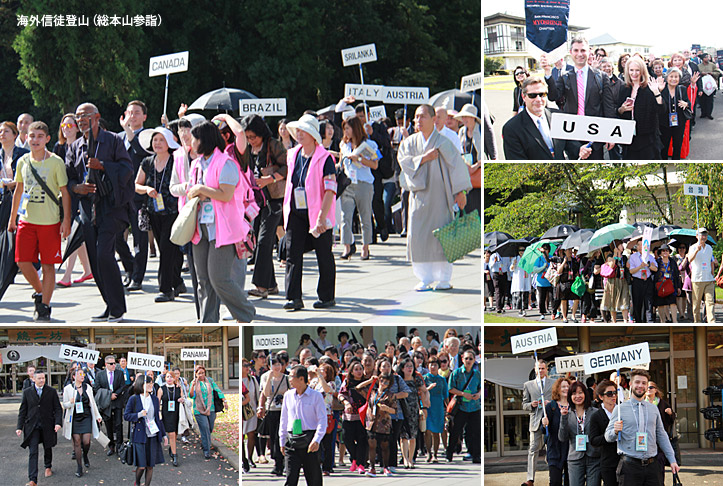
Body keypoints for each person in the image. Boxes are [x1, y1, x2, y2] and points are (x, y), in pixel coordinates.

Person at [66, 102, 135, 322]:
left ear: (97, 117)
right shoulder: (75, 146)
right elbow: (69, 178)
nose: (81, 120)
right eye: (78, 117)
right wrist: (77, 188)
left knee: (105, 255)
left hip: (110, 206)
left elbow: (127, 170)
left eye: (85, 115)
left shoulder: (113, 140)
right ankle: (110, 304)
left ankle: (118, 308)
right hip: (88, 208)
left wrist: (103, 165)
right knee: (95, 260)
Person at [397, 104, 471, 291]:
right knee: (419, 237)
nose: (418, 121)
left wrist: (460, 191)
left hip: (441, 195)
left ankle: (444, 278)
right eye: (416, 117)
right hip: (419, 197)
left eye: (422, 116)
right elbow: (403, 162)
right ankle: (425, 277)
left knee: (443, 236)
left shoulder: (442, 141)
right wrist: (424, 158)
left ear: (433, 119)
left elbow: (457, 165)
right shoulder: (410, 142)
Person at [187, 121, 256, 322]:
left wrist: (200, 190)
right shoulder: (196, 163)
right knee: (203, 280)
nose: (191, 142)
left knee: (219, 278)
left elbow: (225, 195)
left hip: (223, 229)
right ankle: (207, 321)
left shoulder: (226, 163)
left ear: (204, 140)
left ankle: (245, 312)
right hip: (200, 226)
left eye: (194, 138)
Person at [8, 121, 71, 321]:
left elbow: (64, 193)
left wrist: (66, 220)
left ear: (47, 139)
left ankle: (44, 305)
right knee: (22, 261)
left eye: (39, 136)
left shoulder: (55, 162)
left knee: (48, 264)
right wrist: (13, 218)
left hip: (50, 222)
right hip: (27, 220)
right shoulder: (23, 161)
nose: (34, 140)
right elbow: (18, 190)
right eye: (31, 136)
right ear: (26, 137)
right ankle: (40, 291)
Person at [282, 114, 338, 310]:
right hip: (296, 210)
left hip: (318, 213)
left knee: (324, 254)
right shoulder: (293, 155)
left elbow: (330, 189)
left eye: (302, 131)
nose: (298, 134)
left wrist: (322, 217)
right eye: (297, 130)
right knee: (292, 253)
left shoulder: (325, 158)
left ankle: (326, 296)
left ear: (313, 135)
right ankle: (293, 297)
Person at [541, 35, 616, 160]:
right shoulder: (565, 77)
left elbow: (608, 107)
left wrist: (611, 135)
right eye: (576, 50)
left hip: (594, 137)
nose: (579, 54)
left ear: (589, 52)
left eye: (583, 50)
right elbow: (553, 96)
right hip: (573, 136)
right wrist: (548, 73)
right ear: (570, 53)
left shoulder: (601, 77)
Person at [238, 115, 287, 299]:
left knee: (264, 241)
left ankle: (260, 286)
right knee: (260, 241)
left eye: (253, 137)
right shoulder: (246, 148)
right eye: (248, 137)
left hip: (273, 199)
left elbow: (287, 166)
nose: (251, 140)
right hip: (255, 201)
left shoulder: (273, 144)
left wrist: (270, 178)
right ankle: (272, 284)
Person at [605, 369, 680, 486]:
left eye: (644, 383)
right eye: (637, 382)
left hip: (652, 467)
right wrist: (615, 431)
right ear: (630, 384)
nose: (640, 386)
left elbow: (661, 435)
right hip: (629, 467)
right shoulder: (620, 409)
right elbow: (608, 437)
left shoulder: (653, 409)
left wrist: (672, 459)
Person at [135, 126, 184, 302]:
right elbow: (137, 185)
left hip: (173, 211)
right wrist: (146, 189)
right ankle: (177, 282)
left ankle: (166, 288)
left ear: (169, 143)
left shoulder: (176, 160)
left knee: (166, 248)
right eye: (155, 140)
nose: (157, 143)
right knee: (169, 249)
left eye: (161, 140)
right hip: (153, 211)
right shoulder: (147, 162)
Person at [502, 76, 592, 160]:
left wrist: (580, 150)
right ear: (524, 97)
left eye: (542, 94)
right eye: (532, 95)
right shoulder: (511, 128)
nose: (538, 99)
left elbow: (570, 144)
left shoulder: (558, 116)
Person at [53, 114, 92, 288]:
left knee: (72, 232)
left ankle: (67, 274)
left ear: (77, 128)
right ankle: (88, 270)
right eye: (64, 125)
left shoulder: (83, 146)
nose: (66, 128)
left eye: (70, 125)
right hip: (65, 193)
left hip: (79, 192)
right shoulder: (58, 147)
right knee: (77, 234)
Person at [116, 100, 150, 292]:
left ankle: (138, 276)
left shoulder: (147, 136)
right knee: (115, 236)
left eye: (137, 113)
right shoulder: (119, 137)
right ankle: (129, 268)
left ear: (144, 116)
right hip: (120, 195)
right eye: (129, 112)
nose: (132, 116)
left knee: (139, 236)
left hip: (139, 195)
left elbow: (139, 152)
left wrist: (129, 132)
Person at [278, 365, 326, 486]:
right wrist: (282, 441)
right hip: (292, 439)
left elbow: (322, 420)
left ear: (301, 379)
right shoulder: (288, 395)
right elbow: (284, 419)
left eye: (292, 376)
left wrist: (317, 440)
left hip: (310, 441)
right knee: (290, 479)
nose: (289, 379)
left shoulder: (316, 396)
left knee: (314, 479)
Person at [339, 115, 378, 261]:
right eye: (344, 129)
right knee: (345, 216)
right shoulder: (344, 144)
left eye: (348, 128)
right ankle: (347, 246)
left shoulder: (369, 144)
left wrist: (360, 159)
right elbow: (341, 163)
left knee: (365, 216)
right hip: (348, 184)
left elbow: (375, 165)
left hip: (364, 184)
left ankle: (365, 247)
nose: (346, 132)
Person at [16, 371, 62, 486]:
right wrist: (19, 427)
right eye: (39, 378)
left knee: (48, 447)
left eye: (43, 378)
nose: (42, 380)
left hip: (47, 425)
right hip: (32, 426)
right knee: (33, 452)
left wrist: (57, 423)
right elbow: (22, 411)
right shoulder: (27, 392)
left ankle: (48, 466)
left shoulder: (51, 391)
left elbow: (57, 408)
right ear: (34, 379)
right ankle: (33, 479)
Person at [616, 56, 665, 159]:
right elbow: (618, 112)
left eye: (637, 70)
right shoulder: (624, 88)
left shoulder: (649, 87)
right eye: (631, 70)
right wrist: (622, 109)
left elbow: (661, 110)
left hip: (648, 139)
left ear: (642, 71)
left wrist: (657, 93)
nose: (634, 73)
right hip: (629, 138)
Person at [124, 375, 168, 486]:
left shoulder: (154, 399)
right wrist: (139, 415)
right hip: (140, 436)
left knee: (150, 465)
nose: (150, 385)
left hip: (153, 434)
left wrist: (164, 435)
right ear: (141, 384)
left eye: (151, 383)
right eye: (147, 383)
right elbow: (126, 416)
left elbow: (158, 418)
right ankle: (137, 482)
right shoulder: (134, 399)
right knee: (141, 465)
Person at [62, 367, 103, 478]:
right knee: (77, 441)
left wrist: (97, 416)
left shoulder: (88, 387)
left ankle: (85, 454)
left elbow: (92, 403)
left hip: (86, 417)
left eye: (83, 374)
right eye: (80, 374)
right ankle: (79, 467)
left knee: (86, 441)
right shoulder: (68, 389)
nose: (82, 376)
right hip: (74, 418)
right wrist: (70, 403)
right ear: (74, 377)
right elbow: (64, 405)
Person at [559, 381, 600, 485]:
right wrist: (563, 419)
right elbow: (562, 438)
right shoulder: (567, 414)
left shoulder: (595, 412)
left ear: (585, 394)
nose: (577, 396)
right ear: (570, 396)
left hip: (594, 457)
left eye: (580, 392)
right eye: (574, 393)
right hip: (575, 458)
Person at [258, 352, 291, 476]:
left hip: (284, 411)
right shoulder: (265, 377)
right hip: (271, 411)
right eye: (274, 364)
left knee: (281, 437)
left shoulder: (287, 378)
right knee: (273, 438)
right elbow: (265, 394)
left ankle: (281, 463)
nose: (277, 367)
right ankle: (277, 463)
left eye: (279, 364)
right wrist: (270, 378)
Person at [521, 359, 553, 486]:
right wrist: (531, 404)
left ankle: (553, 476)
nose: (541, 370)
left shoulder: (554, 383)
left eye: (543, 368)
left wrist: (550, 404)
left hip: (550, 420)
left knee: (550, 449)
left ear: (546, 370)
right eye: (538, 368)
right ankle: (530, 479)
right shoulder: (528, 385)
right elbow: (524, 404)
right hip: (535, 421)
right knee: (533, 450)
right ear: (535, 369)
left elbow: (559, 400)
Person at [446, 349, 480, 464]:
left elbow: (481, 387)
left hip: (474, 406)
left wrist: (478, 394)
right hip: (461, 406)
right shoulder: (456, 373)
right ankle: (449, 453)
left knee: (475, 432)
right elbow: (450, 388)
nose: (468, 361)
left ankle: (476, 455)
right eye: (466, 358)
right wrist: (462, 394)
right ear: (462, 359)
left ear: (474, 360)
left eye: (471, 358)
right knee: (456, 431)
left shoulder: (477, 373)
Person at [188, 365, 226, 459]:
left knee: (209, 428)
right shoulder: (194, 383)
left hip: (211, 408)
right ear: (196, 374)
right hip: (199, 410)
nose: (201, 375)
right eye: (199, 373)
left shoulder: (210, 381)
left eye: (203, 373)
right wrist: (192, 386)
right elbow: (191, 395)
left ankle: (205, 441)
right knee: (205, 428)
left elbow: (217, 390)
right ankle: (207, 450)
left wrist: (224, 401)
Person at [364, 372, 397, 477]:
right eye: (381, 380)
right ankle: (372, 467)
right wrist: (370, 380)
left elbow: (395, 410)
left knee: (385, 446)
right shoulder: (372, 392)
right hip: (372, 422)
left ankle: (386, 467)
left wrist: (387, 409)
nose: (383, 383)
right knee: (372, 445)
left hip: (384, 423)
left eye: (386, 381)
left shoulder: (390, 395)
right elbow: (358, 388)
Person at [93, 354, 126, 457]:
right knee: (108, 425)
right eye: (111, 364)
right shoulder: (100, 374)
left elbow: (122, 386)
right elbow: (97, 388)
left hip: (117, 401)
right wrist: (108, 395)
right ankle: (111, 446)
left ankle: (120, 446)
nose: (113, 365)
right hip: (106, 403)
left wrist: (115, 394)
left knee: (119, 424)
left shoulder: (119, 373)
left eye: (114, 363)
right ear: (106, 364)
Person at [542, 377, 572, 486]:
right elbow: (544, 431)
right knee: (555, 481)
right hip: (554, 449)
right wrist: (544, 423)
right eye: (563, 386)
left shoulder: (574, 406)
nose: (566, 389)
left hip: (570, 450)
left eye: (568, 386)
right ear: (557, 389)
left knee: (570, 482)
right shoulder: (551, 406)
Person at [589, 379, 619, 486]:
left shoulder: (622, 411)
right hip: (608, 461)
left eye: (615, 392)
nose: (613, 396)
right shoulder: (596, 416)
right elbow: (593, 440)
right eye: (609, 394)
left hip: (625, 460)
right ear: (601, 397)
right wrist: (610, 436)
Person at [308, 362, 336, 475]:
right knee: (316, 440)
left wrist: (319, 376)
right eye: (320, 369)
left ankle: (327, 467)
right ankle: (316, 464)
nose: (320, 371)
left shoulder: (331, 383)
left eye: (323, 370)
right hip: (313, 414)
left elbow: (327, 389)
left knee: (327, 443)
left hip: (326, 414)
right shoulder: (314, 382)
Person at [454, 104, 482, 216]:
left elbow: (484, 154)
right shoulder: (461, 131)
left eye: (467, 116)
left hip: (479, 171)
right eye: (463, 117)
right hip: (466, 171)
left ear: (473, 118)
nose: (464, 119)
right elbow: (460, 152)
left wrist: (475, 166)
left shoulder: (480, 129)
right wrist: (467, 166)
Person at [659, 68, 691, 160]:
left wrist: (686, 104)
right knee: (664, 146)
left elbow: (688, 102)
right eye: (671, 76)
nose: (674, 79)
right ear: (667, 77)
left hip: (679, 123)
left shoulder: (682, 89)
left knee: (677, 146)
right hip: (664, 123)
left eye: (676, 77)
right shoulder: (662, 89)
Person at [158, 370, 186, 466]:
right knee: (171, 434)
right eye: (167, 377)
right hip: (166, 414)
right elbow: (157, 402)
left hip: (177, 413)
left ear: (175, 378)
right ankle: (174, 455)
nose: (169, 379)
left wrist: (181, 399)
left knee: (175, 433)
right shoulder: (161, 389)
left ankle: (171, 447)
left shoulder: (178, 388)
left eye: (171, 377)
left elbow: (183, 398)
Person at [423, 356, 448, 463]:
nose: (433, 367)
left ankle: (435, 454)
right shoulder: (424, 379)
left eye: (435, 364)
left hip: (438, 407)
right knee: (427, 431)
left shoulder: (442, 380)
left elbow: (446, 395)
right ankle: (429, 453)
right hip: (427, 406)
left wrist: (448, 410)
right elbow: (420, 393)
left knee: (436, 432)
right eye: (431, 364)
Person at [692, 228, 718, 322]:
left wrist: (713, 275)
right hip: (697, 279)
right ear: (697, 236)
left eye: (705, 235)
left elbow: (710, 262)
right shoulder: (693, 247)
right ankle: (697, 322)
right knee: (696, 304)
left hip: (708, 279)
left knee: (710, 302)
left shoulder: (709, 248)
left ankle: (712, 322)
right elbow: (689, 259)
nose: (703, 237)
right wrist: (696, 251)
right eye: (701, 234)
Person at [628, 240, 658, 323]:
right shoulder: (633, 257)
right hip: (637, 281)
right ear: (637, 247)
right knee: (637, 302)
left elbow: (655, 268)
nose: (641, 247)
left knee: (648, 302)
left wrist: (648, 265)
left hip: (647, 281)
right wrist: (640, 266)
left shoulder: (650, 256)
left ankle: (649, 321)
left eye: (643, 245)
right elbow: (631, 271)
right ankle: (638, 321)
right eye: (639, 245)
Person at [654, 244, 681, 323]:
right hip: (660, 286)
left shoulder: (672, 262)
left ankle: (675, 321)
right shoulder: (657, 262)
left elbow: (676, 275)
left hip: (671, 285)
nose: (665, 252)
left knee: (673, 303)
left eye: (667, 251)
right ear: (660, 252)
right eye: (663, 251)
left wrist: (678, 287)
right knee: (661, 304)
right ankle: (662, 321)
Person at [557, 247, 581, 323]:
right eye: (569, 250)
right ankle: (564, 317)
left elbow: (577, 271)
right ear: (565, 251)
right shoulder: (561, 260)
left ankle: (573, 316)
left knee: (576, 299)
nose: (570, 252)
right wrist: (564, 262)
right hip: (564, 282)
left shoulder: (574, 261)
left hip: (573, 282)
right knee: (564, 300)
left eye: (571, 250)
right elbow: (559, 271)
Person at [532, 243, 554, 319]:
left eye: (546, 249)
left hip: (550, 282)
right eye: (544, 249)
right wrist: (543, 267)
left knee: (553, 298)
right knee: (542, 298)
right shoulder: (539, 259)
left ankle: (554, 312)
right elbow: (535, 270)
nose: (545, 250)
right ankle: (542, 313)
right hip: (541, 282)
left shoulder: (552, 258)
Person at [697, 53, 722, 120]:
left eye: (708, 57)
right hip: (702, 84)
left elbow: (718, 73)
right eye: (705, 57)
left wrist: (711, 73)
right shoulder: (699, 66)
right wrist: (701, 74)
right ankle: (703, 113)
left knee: (710, 100)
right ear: (702, 59)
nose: (707, 58)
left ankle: (709, 114)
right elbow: (696, 74)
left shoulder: (712, 65)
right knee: (702, 100)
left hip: (710, 85)